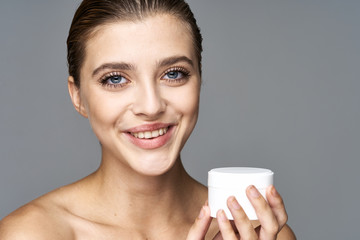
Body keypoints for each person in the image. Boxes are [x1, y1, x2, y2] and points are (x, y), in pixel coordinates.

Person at [0, 0, 295, 239]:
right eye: (115, 79)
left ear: (199, 79)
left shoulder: (259, 233)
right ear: (77, 95)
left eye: (174, 73)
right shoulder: (32, 234)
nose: (151, 106)